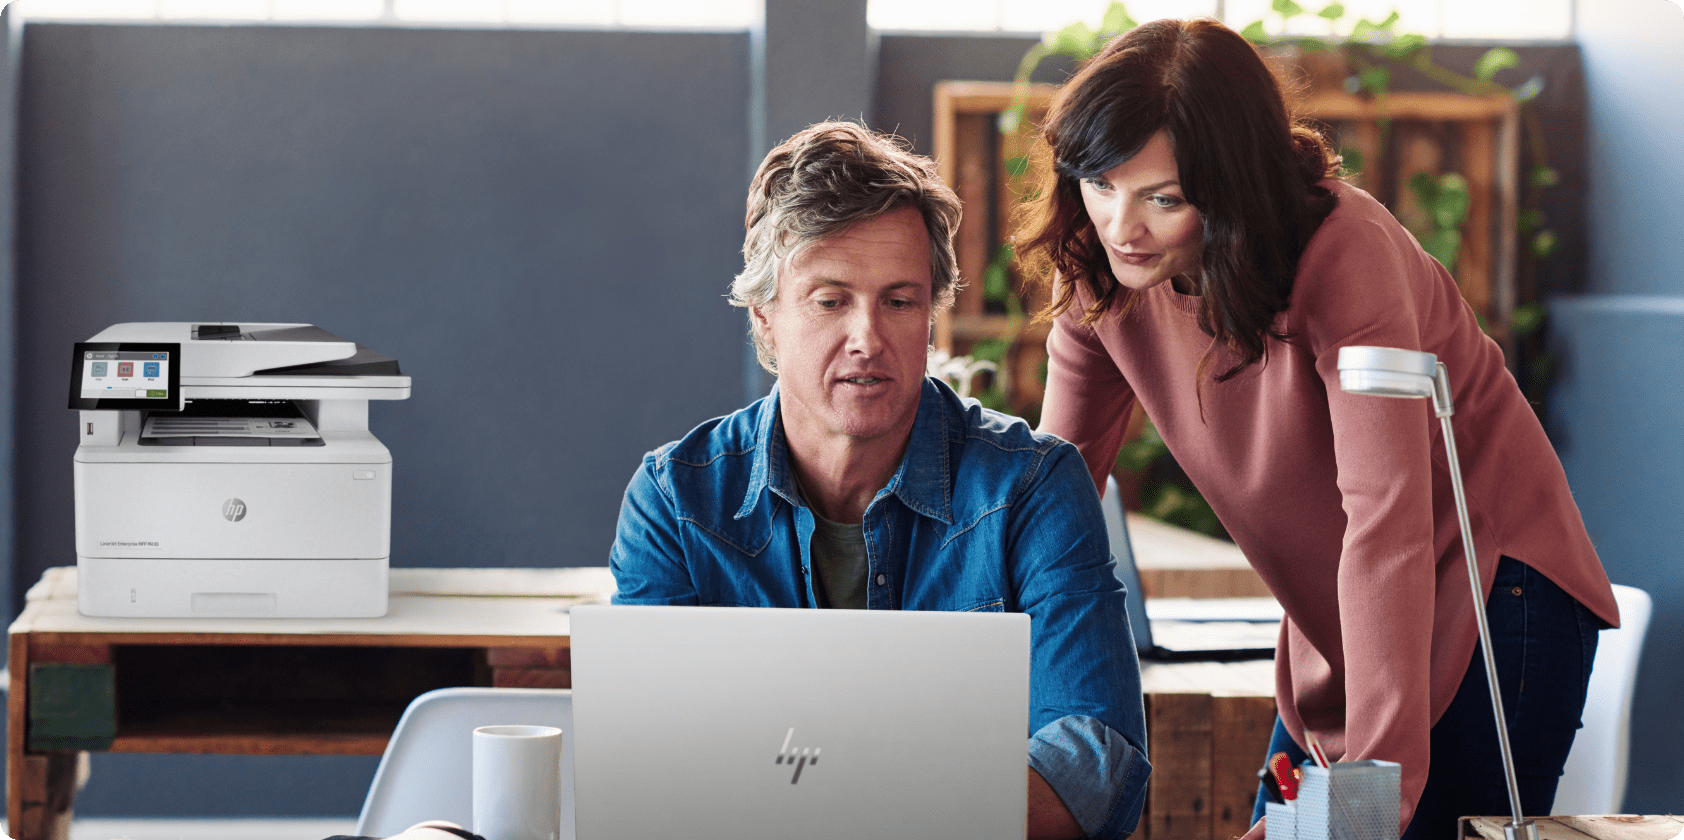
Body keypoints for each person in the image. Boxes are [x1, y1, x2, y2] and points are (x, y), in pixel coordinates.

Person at [1015, 18, 1619, 840]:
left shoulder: (1346, 253)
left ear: (1230, 186)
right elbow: (1056, 501)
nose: (1123, 226)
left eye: (1165, 197)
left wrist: (1362, 808)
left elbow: (1389, 523)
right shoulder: (1101, 270)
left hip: (1490, 589)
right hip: (1344, 623)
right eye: (1101, 184)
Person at [609, 121, 1149, 840]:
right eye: (830, 300)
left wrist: (806, 795)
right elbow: (647, 768)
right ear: (766, 319)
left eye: (899, 301)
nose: (868, 337)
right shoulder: (675, 502)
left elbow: (1096, 765)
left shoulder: (1033, 488)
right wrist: (920, 793)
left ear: (931, 314)